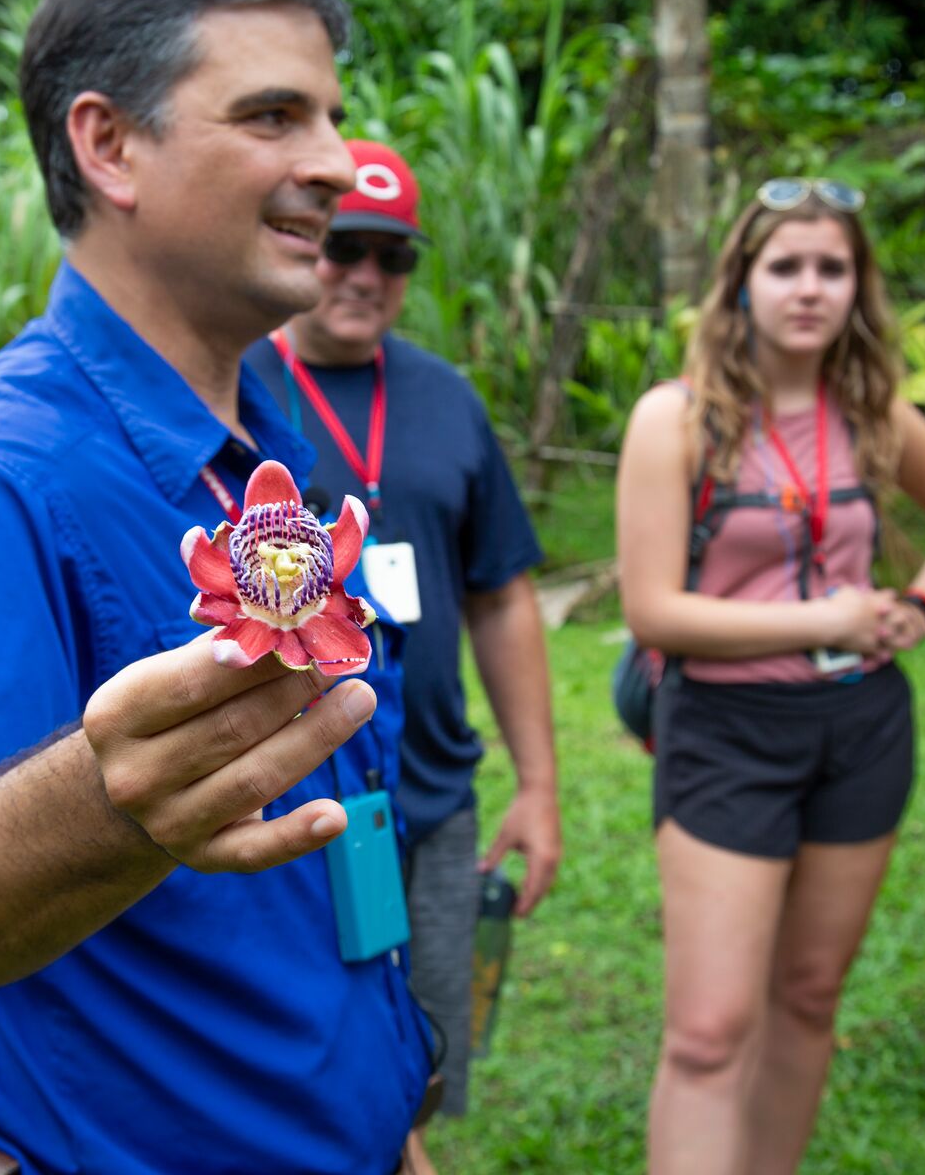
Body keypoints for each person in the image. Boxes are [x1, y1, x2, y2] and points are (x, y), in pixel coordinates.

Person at [0, 0, 434, 1175]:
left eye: (333, 117)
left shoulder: (270, 436)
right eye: (272, 115)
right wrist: (107, 798)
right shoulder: (0, 472)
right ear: (108, 145)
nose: (338, 165)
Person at [615, 178, 925, 1175]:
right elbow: (653, 611)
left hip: (860, 728)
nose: (810, 288)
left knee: (809, 997)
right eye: (786, 266)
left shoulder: (871, 413)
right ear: (740, 282)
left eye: (833, 268)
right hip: (726, 729)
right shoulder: (679, 419)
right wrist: (822, 616)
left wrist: (921, 603)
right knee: (707, 1028)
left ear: (857, 289)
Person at [244, 139, 561, 1124]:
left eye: (395, 256)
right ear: (305, 244)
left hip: (433, 793)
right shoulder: (239, 389)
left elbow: (501, 593)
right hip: (294, 802)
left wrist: (540, 782)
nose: (367, 276)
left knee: (425, 1059)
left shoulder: (444, 398)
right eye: (346, 247)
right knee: (303, 1070)